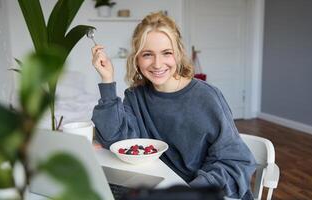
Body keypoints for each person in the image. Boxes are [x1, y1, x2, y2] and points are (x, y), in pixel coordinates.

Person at [90, 12, 256, 200]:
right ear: (136, 59)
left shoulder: (207, 97)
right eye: (147, 54)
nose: (158, 63)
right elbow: (117, 140)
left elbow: (235, 162)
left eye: (166, 53)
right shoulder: (136, 97)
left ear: (178, 54)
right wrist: (107, 80)